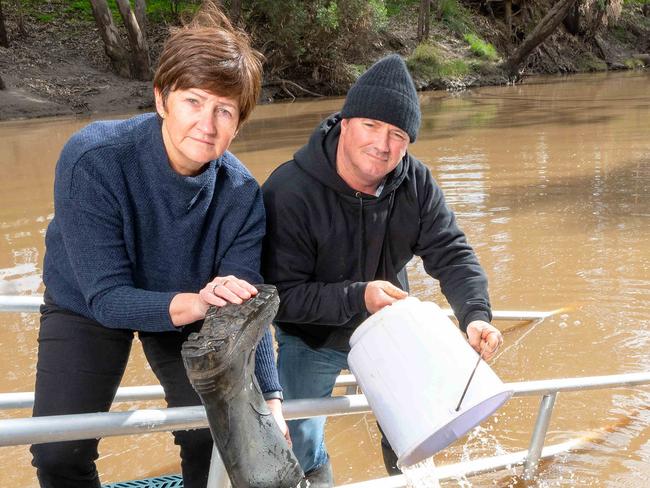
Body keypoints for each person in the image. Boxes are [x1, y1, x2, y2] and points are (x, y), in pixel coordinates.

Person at [30, 7, 287, 488]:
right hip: (88, 301)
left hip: (190, 309)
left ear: (239, 124)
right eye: (194, 101)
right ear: (162, 98)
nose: (207, 124)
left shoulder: (241, 194)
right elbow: (106, 297)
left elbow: (247, 303)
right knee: (58, 451)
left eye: (225, 111)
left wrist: (271, 397)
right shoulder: (93, 159)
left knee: (210, 434)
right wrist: (197, 302)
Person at [262, 54, 504, 486]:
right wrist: (357, 296)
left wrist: (476, 315)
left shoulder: (416, 182)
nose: (383, 145)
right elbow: (280, 296)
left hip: (388, 326)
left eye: (398, 134)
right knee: (295, 441)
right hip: (310, 333)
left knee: (415, 428)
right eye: (372, 126)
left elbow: (451, 253)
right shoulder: (289, 191)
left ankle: (407, 476)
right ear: (346, 122)